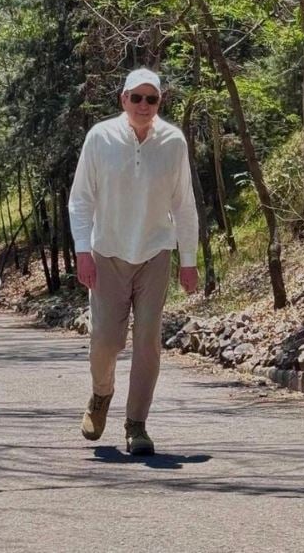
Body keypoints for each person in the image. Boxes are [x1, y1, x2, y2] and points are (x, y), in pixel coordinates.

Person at [68, 68, 199, 456]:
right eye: (136, 98)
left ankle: (136, 424)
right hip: (107, 251)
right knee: (105, 341)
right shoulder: (100, 137)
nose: (144, 106)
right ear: (123, 99)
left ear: (160, 102)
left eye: (151, 99)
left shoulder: (173, 141)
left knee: (147, 342)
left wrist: (188, 260)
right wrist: (82, 251)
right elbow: (80, 200)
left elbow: (184, 204)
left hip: (155, 252)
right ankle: (101, 394)